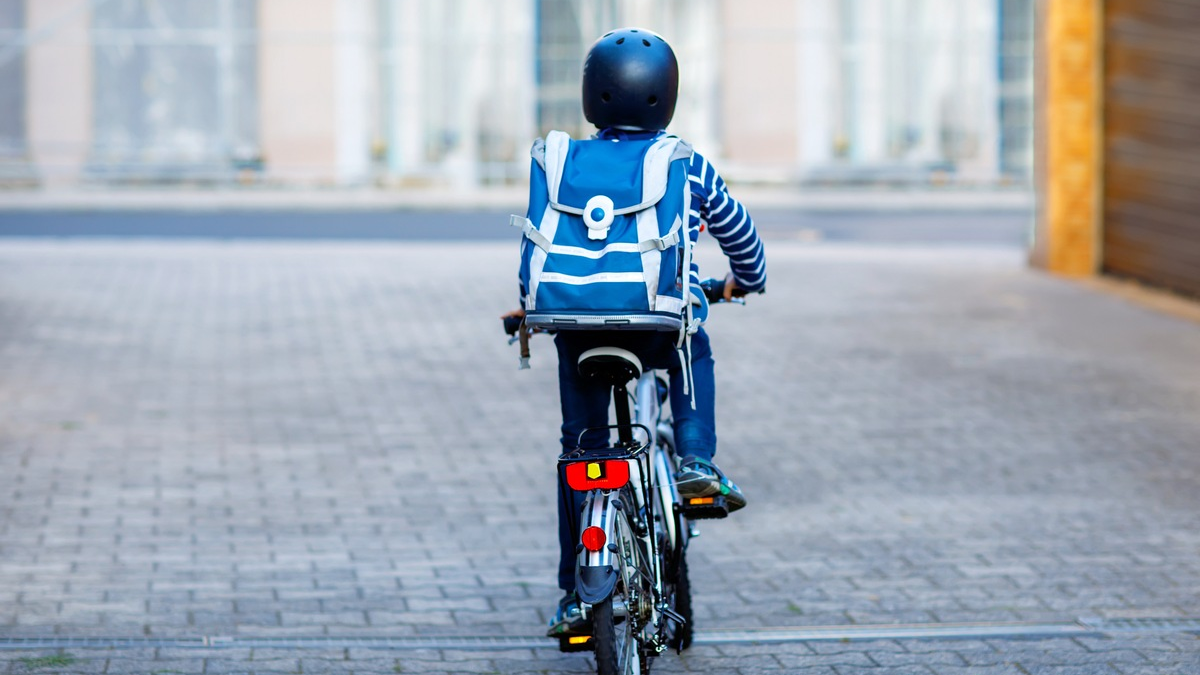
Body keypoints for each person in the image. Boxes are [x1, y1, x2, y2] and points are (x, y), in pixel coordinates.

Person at [502, 27, 766, 637]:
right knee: (691, 343)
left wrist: (528, 308)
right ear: (666, 95)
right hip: (656, 323)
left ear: (592, 95)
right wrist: (746, 280)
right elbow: (740, 235)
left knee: (582, 455)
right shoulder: (684, 162)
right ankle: (697, 462)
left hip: (575, 328)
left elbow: (538, 243)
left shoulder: (561, 159)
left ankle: (575, 597)